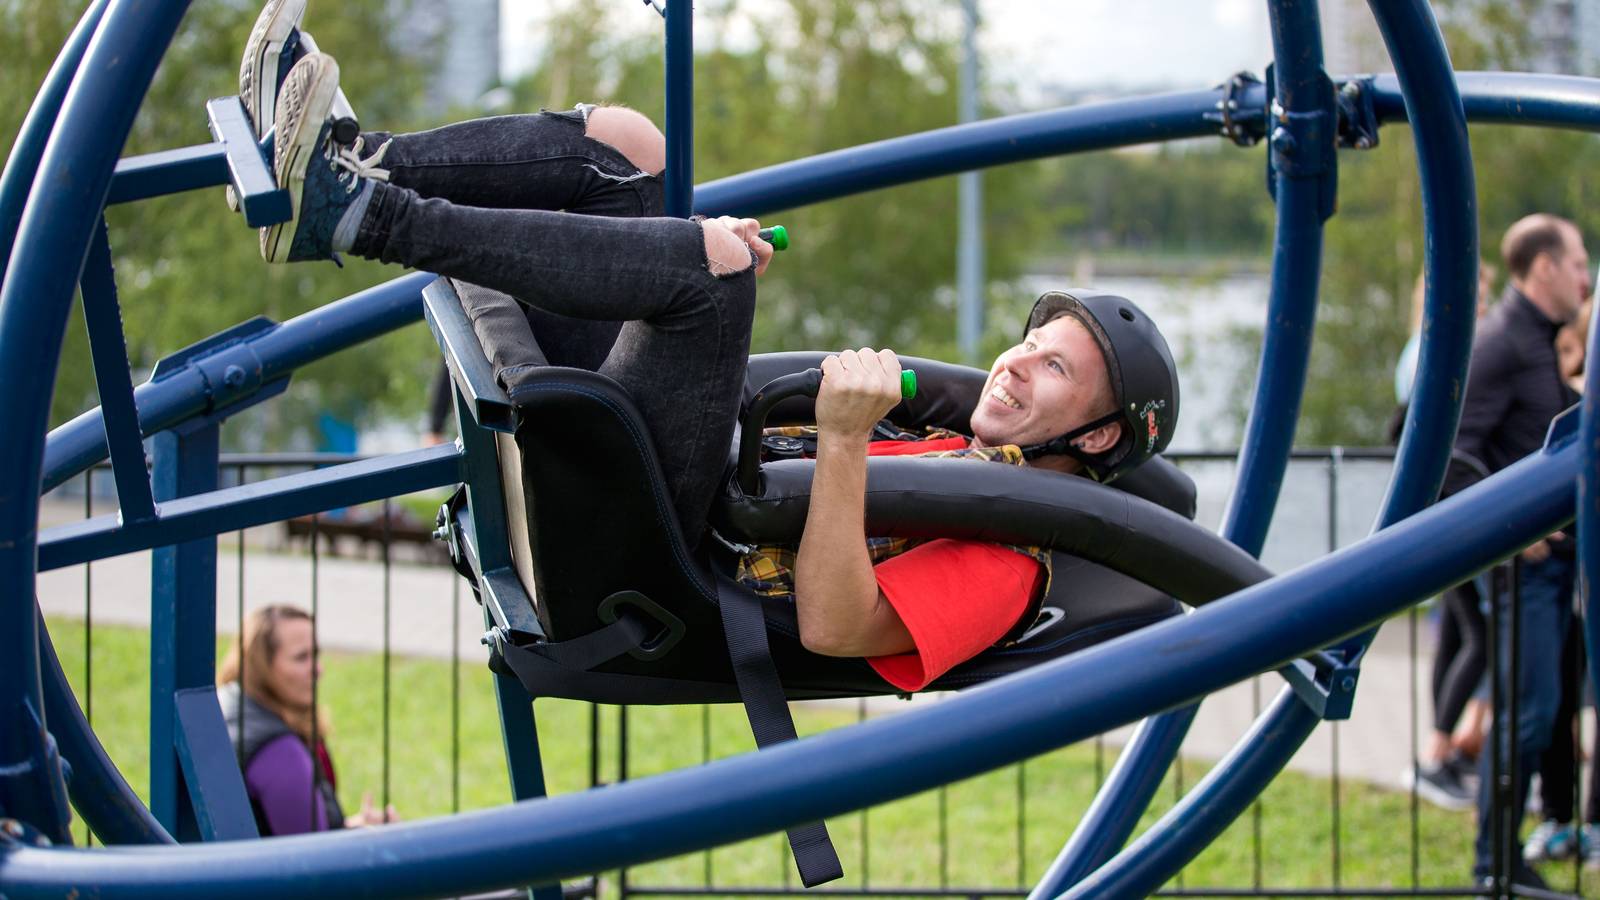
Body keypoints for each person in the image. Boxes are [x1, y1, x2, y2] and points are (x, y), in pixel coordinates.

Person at [233, 3, 1179, 693]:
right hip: (672, 466)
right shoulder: (952, 444)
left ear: (1096, 436)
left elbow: (836, 625)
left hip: (664, 552)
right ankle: (347, 159)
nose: (1015, 363)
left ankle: (366, 215)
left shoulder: (1010, 558)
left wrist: (844, 439)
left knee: (712, 270)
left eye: (1055, 367)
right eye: (1030, 343)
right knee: (625, 148)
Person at [1452, 214, 1592, 887]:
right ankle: (1495, 866)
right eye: (1578, 263)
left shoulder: (1537, 341)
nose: (1585, 278)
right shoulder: (1501, 342)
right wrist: (1511, 530)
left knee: (1545, 712)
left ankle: (1505, 860)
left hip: (1553, 570)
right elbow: (1453, 456)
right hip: (1519, 572)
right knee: (1526, 716)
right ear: (1543, 267)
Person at [1396, 264, 1497, 810]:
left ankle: (1447, 750)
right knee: (1479, 634)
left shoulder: (1430, 350)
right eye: (1474, 297)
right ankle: (1436, 754)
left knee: (1461, 631)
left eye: (1485, 297)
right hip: (1447, 514)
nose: (1482, 308)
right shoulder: (1432, 356)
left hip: (1442, 513)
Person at [218, 604, 398, 836]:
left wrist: (354, 828)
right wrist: (377, 839)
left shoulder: (228, 702)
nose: (318, 670)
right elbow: (313, 854)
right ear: (261, 667)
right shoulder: (280, 754)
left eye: (316, 655)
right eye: (301, 657)